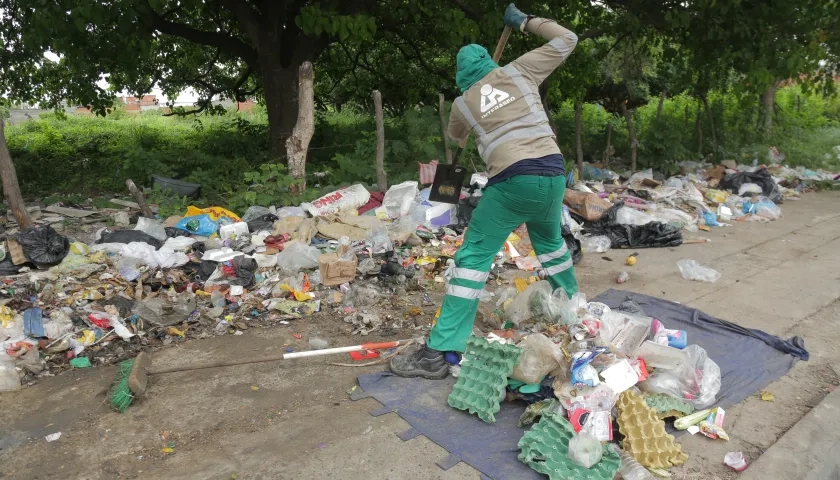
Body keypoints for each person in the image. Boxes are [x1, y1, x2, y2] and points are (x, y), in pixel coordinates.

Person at [390, 4, 580, 379]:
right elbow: (567, 39)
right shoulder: (521, 70)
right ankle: (577, 315)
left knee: (473, 259)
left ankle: (441, 350)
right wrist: (526, 24)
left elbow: (455, 137)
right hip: (554, 174)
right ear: (490, 67)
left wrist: (475, 109)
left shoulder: (462, 104)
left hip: (513, 181)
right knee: (551, 243)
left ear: (462, 77)